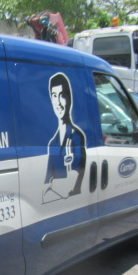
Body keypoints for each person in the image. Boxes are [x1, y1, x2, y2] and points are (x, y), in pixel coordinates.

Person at [43, 72, 87, 203]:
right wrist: (52, 185)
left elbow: (70, 185)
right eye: (54, 96)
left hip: (75, 204)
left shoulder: (76, 137)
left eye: (62, 95)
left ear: (69, 99)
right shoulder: (52, 143)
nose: (58, 102)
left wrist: (52, 185)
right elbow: (44, 188)